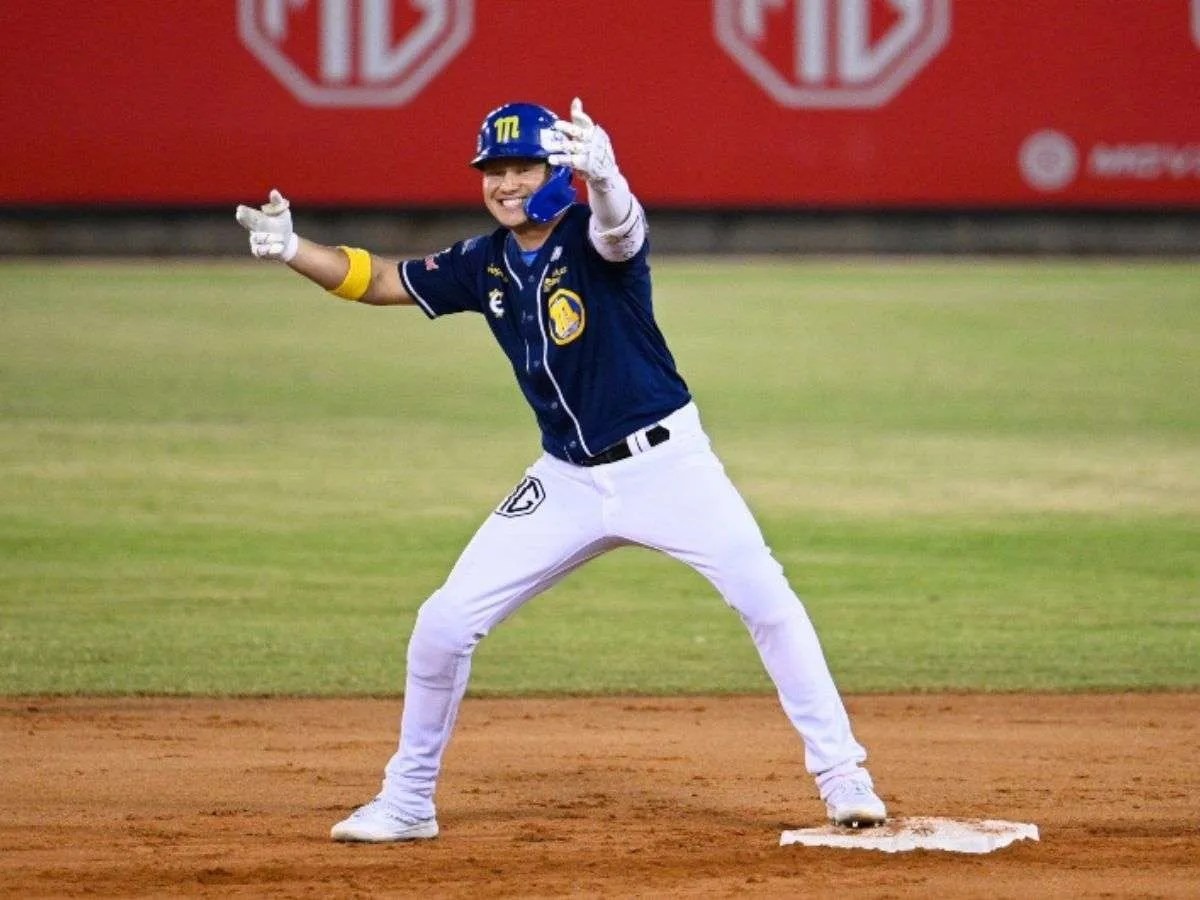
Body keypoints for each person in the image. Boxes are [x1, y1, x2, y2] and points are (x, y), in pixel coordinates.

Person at [235, 98, 887, 843]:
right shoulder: (484, 260)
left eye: (523, 168)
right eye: (495, 170)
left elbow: (621, 228)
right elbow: (386, 278)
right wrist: (292, 250)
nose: (506, 183)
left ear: (560, 171)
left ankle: (845, 779)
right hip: (567, 480)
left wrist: (607, 177)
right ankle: (409, 801)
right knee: (443, 624)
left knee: (767, 600)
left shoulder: (590, 236)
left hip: (668, 466)